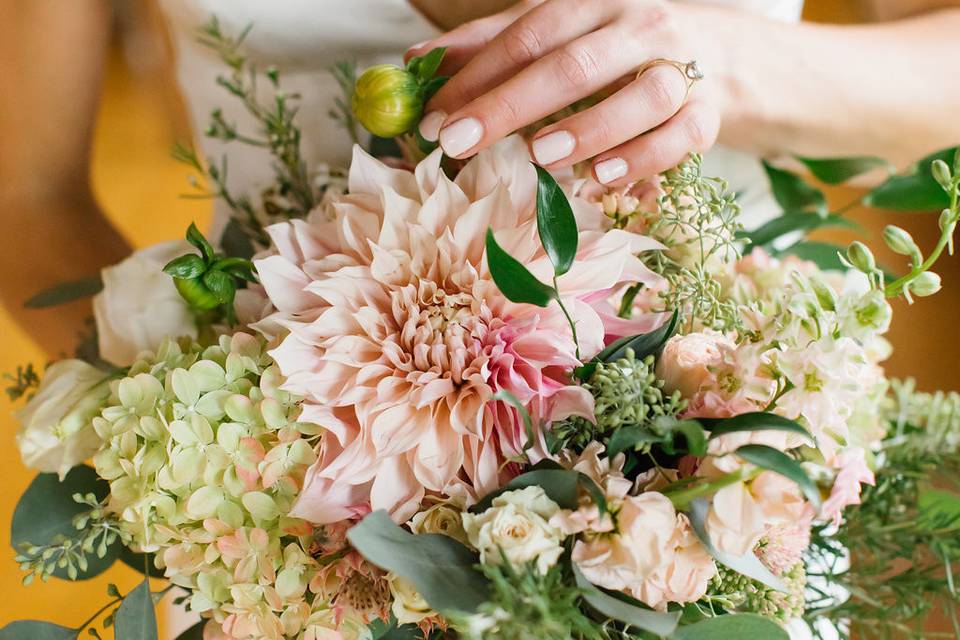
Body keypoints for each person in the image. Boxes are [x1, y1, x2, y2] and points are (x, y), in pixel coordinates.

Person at [2, 0, 959, 358]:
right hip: (303, 526)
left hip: (713, 503)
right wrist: (207, 452)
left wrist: (732, 60)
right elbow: (23, 198)